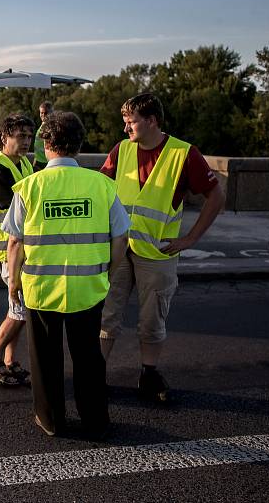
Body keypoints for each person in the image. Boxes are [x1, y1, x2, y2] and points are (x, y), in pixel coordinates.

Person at [3, 111, 130, 438]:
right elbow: (121, 236)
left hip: (42, 289)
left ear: (47, 144)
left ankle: (51, 420)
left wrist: (13, 283)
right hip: (89, 288)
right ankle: (95, 420)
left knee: (45, 360)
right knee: (89, 358)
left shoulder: (30, 186)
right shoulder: (101, 184)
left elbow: (15, 240)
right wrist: (108, 272)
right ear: (78, 145)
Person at [99, 93, 225, 404]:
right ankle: (95, 373)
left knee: (152, 316)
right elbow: (101, 190)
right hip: (119, 249)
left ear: (152, 120)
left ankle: (149, 373)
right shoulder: (121, 150)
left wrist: (190, 239)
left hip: (157, 252)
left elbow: (216, 196)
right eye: (125, 122)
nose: (126, 128)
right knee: (106, 313)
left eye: (132, 122)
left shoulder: (184, 154)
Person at [0, 113, 36, 386]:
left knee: (19, 312)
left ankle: (11, 362)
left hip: (24, 252)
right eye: (20, 136)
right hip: (9, 254)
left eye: (28, 135)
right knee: (19, 312)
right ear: (4, 137)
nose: (26, 141)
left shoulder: (24, 163)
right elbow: (13, 213)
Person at [32, 102, 53, 171]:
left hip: (46, 163)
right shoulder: (43, 125)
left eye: (46, 113)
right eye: (41, 113)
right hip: (38, 160)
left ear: (51, 113)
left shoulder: (51, 127)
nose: (43, 115)